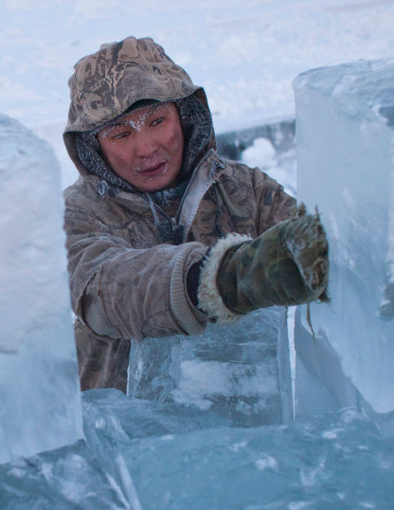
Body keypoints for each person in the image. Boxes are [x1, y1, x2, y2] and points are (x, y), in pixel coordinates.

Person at [62, 36, 329, 392]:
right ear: (94, 149)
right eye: (121, 134)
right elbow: (102, 293)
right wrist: (221, 278)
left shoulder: (245, 188)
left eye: (157, 121)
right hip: (121, 431)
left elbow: (320, 247)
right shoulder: (76, 213)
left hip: (243, 421)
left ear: (185, 118)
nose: (146, 148)